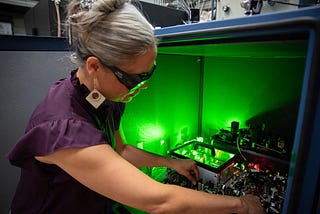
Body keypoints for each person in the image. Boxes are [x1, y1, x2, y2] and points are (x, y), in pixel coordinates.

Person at [7, 0, 265, 213]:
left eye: (148, 74)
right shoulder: (63, 128)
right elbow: (159, 201)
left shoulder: (102, 95)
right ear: (95, 66)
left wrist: (170, 163)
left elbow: (119, 150)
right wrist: (241, 204)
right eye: (133, 79)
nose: (140, 87)